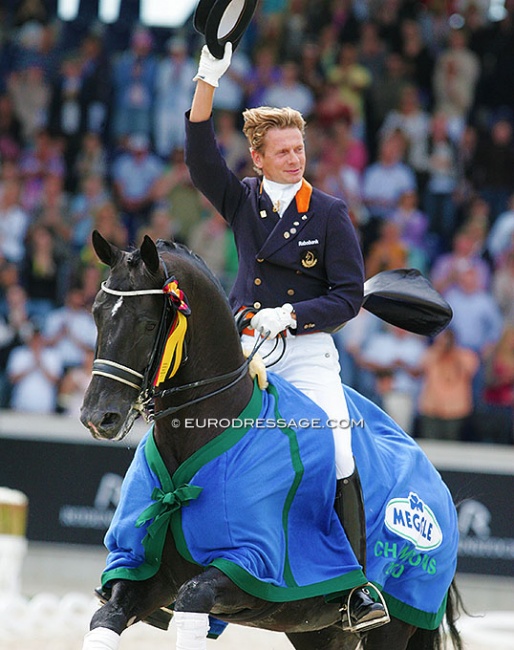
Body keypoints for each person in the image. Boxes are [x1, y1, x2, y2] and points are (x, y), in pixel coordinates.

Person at [185, 43, 387, 631]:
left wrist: (292, 316)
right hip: (246, 350)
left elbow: (350, 296)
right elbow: (200, 160)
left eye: (299, 149)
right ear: (258, 157)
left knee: (340, 446)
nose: (296, 158)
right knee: (203, 436)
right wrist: (207, 81)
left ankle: (356, 586)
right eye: (284, 151)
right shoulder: (243, 200)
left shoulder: (329, 213)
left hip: (306, 353)